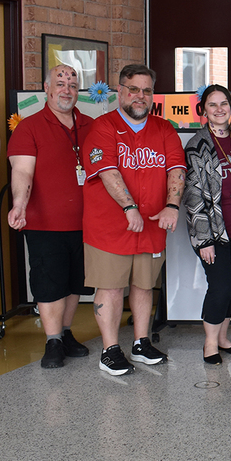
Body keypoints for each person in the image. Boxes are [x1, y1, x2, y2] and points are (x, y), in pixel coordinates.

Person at [81, 63, 186, 375]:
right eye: (134, 89)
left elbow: (176, 168)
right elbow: (108, 171)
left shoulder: (163, 129)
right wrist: (129, 208)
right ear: (120, 92)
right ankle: (110, 350)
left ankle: (141, 343)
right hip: (110, 226)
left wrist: (172, 205)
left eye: (147, 90)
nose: (140, 96)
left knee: (144, 284)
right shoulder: (103, 127)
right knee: (111, 287)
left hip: (152, 224)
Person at [7, 64, 94, 368]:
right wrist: (19, 205)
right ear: (46, 88)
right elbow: (22, 171)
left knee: (74, 283)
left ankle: (66, 333)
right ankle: (52, 340)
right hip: (45, 223)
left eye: (72, 83)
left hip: (86, 223)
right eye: (60, 82)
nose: (66, 89)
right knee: (49, 282)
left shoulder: (91, 125)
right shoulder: (28, 127)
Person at [183, 85, 231, 365]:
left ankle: (223, 338)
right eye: (213, 104)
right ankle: (210, 343)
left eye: (225, 103)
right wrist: (204, 240)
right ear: (203, 110)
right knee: (220, 286)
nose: (220, 109)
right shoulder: (197, 145)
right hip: (213, 231)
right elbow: (193, 194)